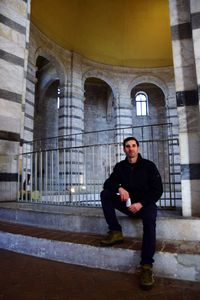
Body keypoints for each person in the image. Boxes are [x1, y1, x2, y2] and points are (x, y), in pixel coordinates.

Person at [100, 136, 163, 290]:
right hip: (128, 205)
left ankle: (147, 267)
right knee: (105, 194)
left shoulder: (149, 166)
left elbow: (157, 190)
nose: (131, 148)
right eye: (127, 146)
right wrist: (119, 188)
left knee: (149, 221)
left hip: (145, 205)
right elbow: (108, 183)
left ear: (138, 148)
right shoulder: (120, 166)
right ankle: (115, 232)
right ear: (124, 149)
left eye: (133, 145)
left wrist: (141, 204)